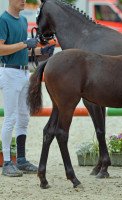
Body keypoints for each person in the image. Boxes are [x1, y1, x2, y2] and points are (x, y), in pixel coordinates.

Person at [0, 0, 54, 177]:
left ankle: (21, 159)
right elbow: (1, 49)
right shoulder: (3, 20)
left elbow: (23, 50)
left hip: (24, 72)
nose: (23, 1)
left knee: (24, 117)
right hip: (9, 72)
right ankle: (7, 161)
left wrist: (42, 51)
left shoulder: (22, 21)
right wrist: (25, 43)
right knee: (11, 117)